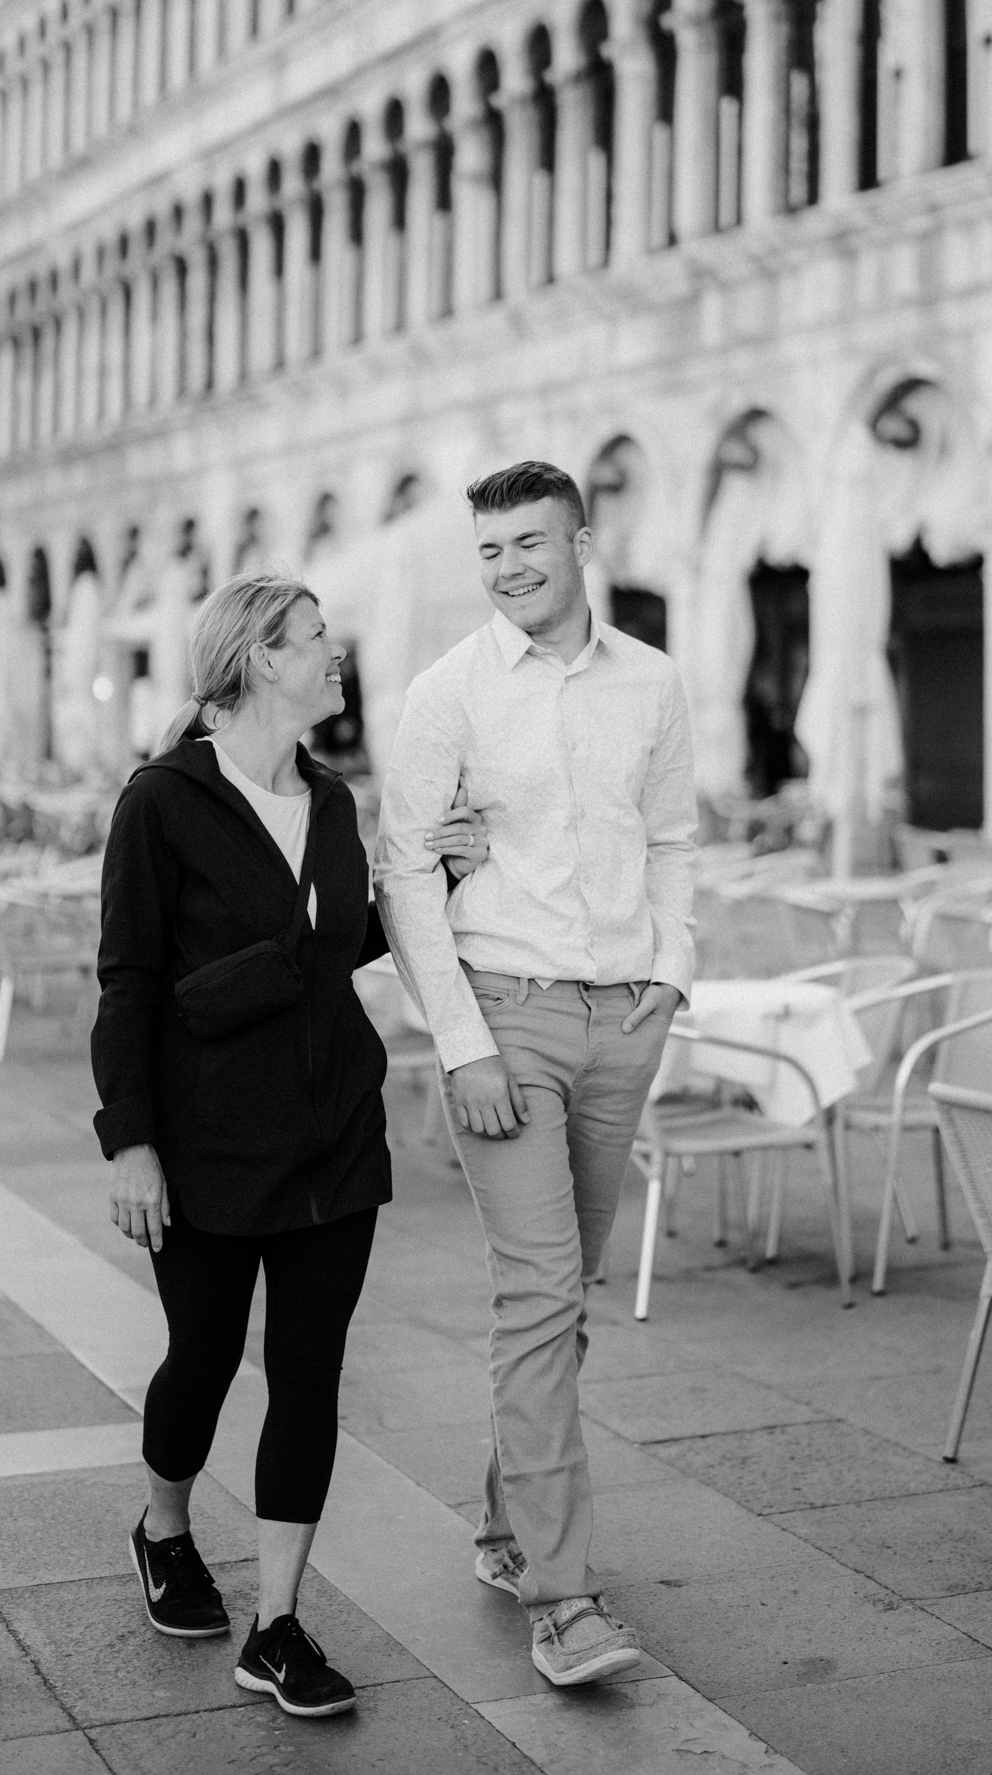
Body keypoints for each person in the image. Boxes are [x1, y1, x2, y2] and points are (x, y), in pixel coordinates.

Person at [92, 571, 484, 1721]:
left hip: (332, 1140)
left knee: (308, 1377)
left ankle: (277, 1624)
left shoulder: (332, 803)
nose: (337, 656)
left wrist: (438, 874)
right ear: (262, 658)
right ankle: (163, 1526)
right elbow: (128, 983)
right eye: (319, 640)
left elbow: (331, 949)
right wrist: (131, 1144)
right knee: (203, 1366)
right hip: (206, 1143)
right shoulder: (160, 803)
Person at [375, 460, 697, 1688]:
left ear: (581, 541)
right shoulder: (447, 693)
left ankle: (510, 1532)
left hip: (625, 1018)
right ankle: (563, 1601)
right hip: (505, 1013)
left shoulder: (655, 681)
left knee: (570, 1295)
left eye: (528, 544)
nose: (508, 568)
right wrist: (459, 1043)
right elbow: (406, 876)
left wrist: (669, 978)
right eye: (490, 551)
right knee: (538, 1292)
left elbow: (673, 838)